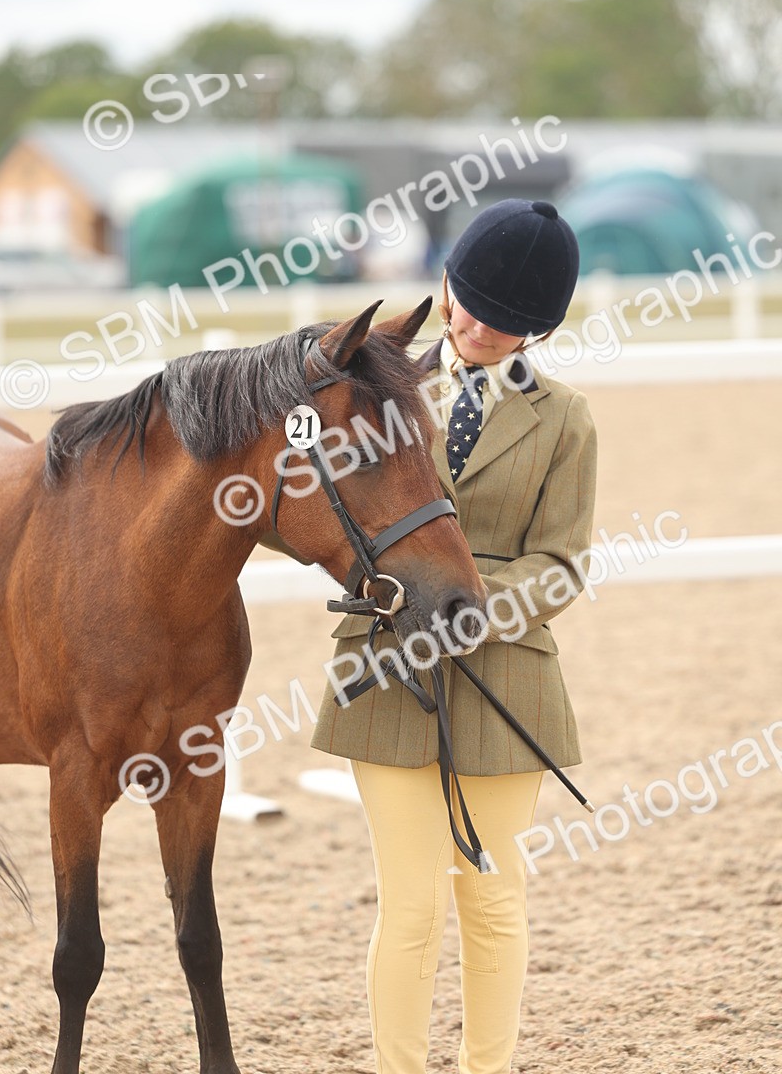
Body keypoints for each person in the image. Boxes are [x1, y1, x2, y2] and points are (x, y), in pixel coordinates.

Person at [310, 198, 598, 1074]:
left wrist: (473, 608)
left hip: (505, 675)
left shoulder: (565, 420)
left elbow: (561, 563)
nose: (474, 328)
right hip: (389, 666)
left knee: (493, 902)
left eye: (503, 323)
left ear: (538, 330)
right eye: (468, 304)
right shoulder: (374, 394)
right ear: (444, 283)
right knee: (409, 908)